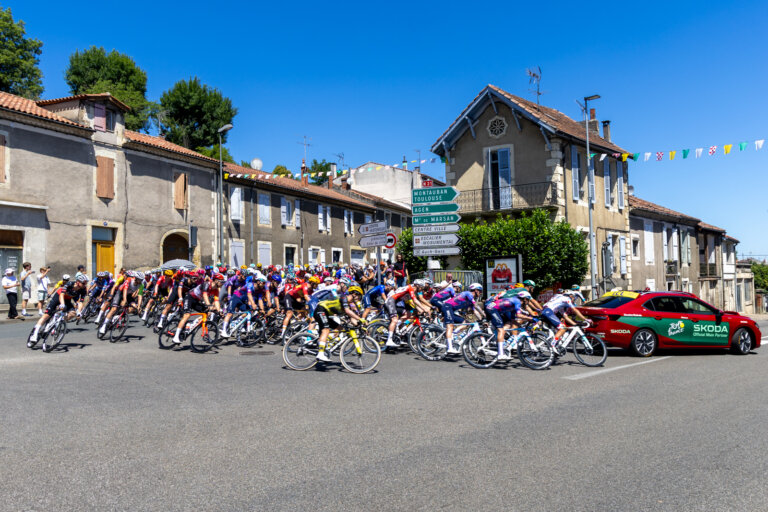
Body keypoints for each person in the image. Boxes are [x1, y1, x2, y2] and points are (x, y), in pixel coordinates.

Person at [28, 275, 89, 343]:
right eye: (83, 283)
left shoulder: (83, 290)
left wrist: (79, 312)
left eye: (86, 283)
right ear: (78, 282)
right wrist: (62, 304)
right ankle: (35, 334)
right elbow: (61, 295)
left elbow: (80, 302)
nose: (85, 285)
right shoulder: (69, 284)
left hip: (67, 300)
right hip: (58, 297)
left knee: (73, 313)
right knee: (46, 316)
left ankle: (57, 321)